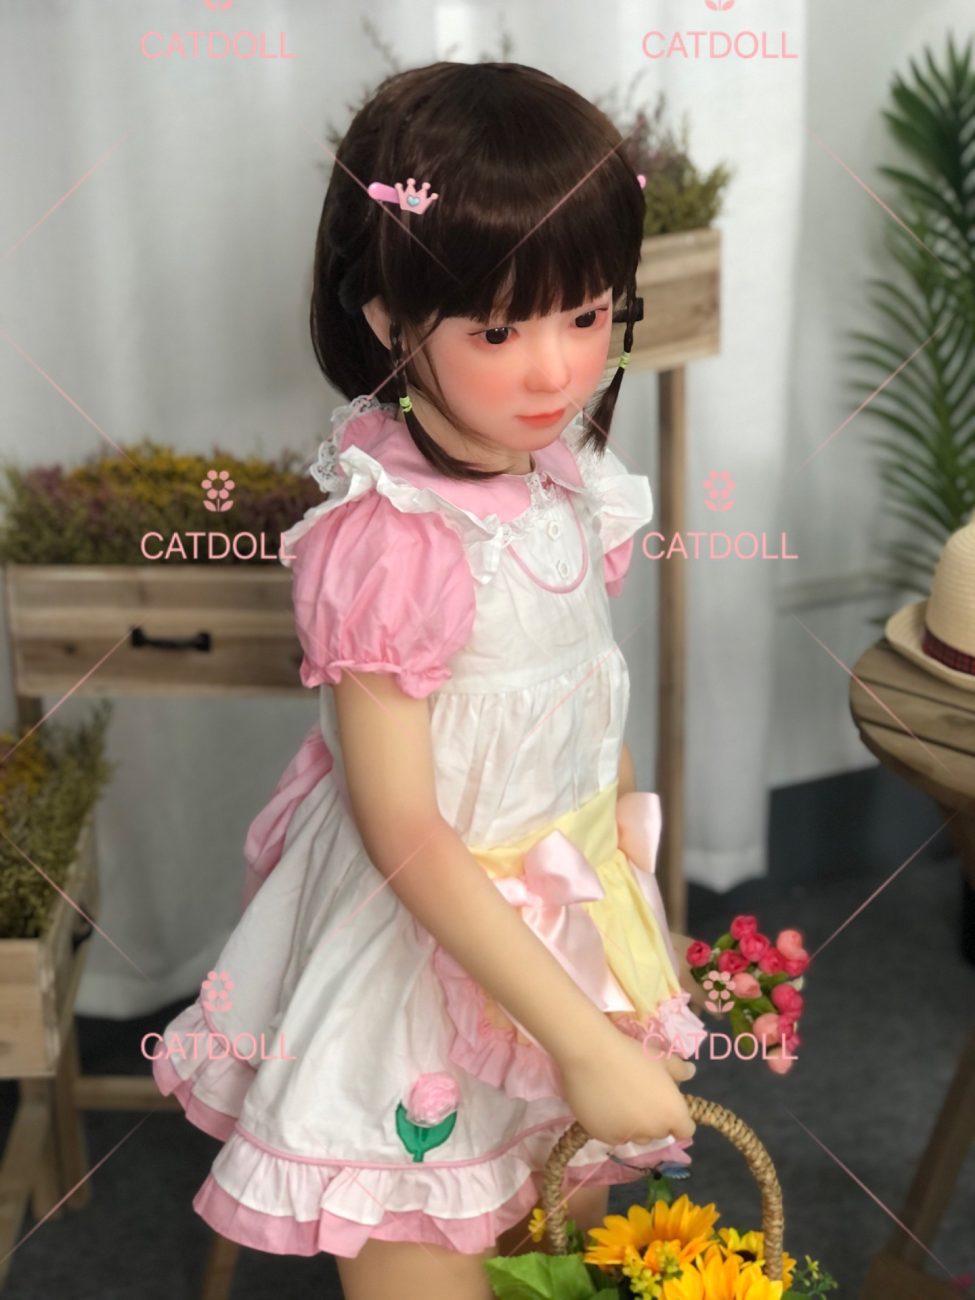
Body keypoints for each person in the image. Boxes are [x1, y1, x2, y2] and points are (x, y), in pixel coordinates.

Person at [152, 59, 707, 1300]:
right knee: (431, 1245)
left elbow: (586, 722)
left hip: (565, 942)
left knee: (551, 1261)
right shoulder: (392, 540)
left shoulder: (569, 484)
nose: (556, 373)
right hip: (423, 961)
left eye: (587, 315)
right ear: (392, 319)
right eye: (499, 331)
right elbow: (402, 824)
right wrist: (576, 1041)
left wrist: (630, 920)